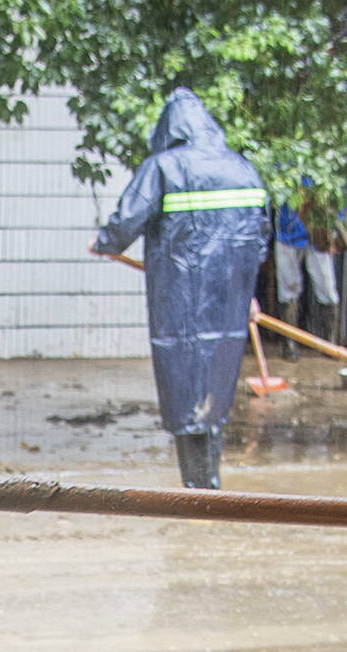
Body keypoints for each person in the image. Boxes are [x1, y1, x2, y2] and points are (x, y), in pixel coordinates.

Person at [93, 89, 270, 488]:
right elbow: (260, 235)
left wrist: (105, 243)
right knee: (214, 387)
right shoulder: (242, 168)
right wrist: (248, 291)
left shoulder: (163, 167)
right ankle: (210, 485)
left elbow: (127, 218)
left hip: (182, 297)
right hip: (228, 300)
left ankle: (197, 489)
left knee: (184, 383)